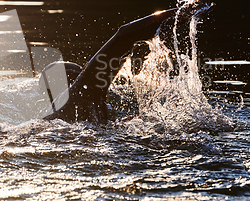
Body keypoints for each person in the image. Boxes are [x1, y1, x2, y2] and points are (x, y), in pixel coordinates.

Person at [43, 7, 179, 123]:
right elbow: (123, 36)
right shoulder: (81, 90)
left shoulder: (51, 117)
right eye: (81, 74)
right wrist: (180, 12)